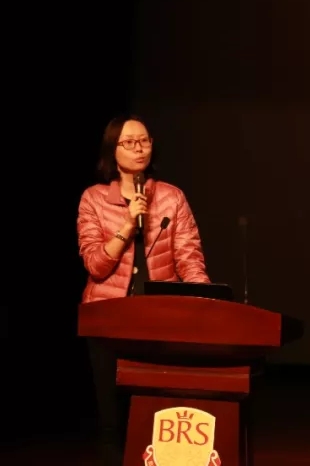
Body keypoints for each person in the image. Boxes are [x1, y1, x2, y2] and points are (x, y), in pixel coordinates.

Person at [77, 115, 211, 466]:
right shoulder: (93, 199)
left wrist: (207, 306)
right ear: (113, 150)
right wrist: (127, 224)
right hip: (107, 321)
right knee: (112, 423)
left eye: (144, 141)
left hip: (159, 322)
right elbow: (96, 265)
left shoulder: (171, 197)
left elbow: (189, 259)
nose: (139, 148)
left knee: (156, 414)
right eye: (129, 142)